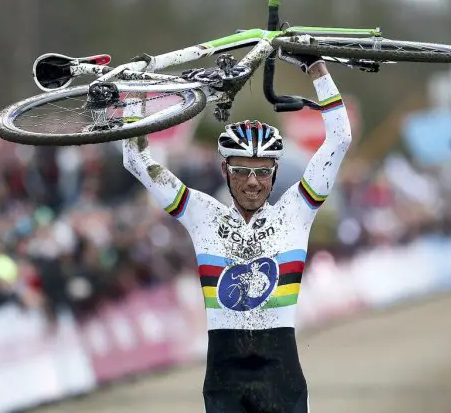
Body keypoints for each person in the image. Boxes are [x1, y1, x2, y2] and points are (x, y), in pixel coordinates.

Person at [120, 52, 350, 412]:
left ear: (275, 172)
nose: (253, 182)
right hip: (224, 377)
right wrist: (134, 92)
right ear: (225, 170)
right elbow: (136, 160)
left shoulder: (295, 212)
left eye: (262, 171)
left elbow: (339, 139)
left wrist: (317, 69)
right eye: (242, 170)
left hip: (281, 373)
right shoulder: (203, 214)